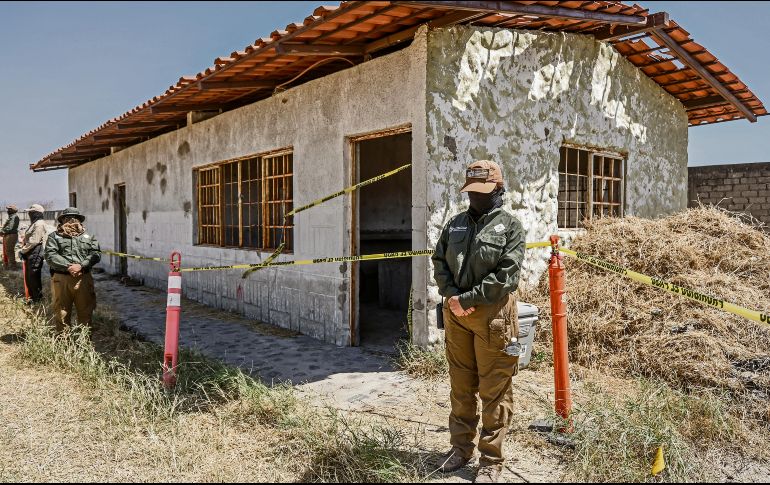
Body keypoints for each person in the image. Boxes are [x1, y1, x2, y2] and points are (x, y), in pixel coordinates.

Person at [431, 160, 526, 483]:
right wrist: (452, 296)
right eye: (472, 192)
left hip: (492, 318)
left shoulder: (510, 227)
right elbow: (439, 260)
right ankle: (460, 449)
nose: (476, 197)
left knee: (494, 391)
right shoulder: (455, 224)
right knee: (461, 386)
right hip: (457, 316)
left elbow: (507, 276)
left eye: (483, 192)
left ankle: (490, 459)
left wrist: (467, 300)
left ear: (499, 190)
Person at [44, 207, 101, 333]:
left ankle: (84, 344)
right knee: (61, 313)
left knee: (86, 312)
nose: (70, 220)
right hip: (61, 279)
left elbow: (95, 254)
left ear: (80, 220)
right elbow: (50, 255)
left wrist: (81, 265)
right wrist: (69, 266)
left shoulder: (89, 237)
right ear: (62, 220)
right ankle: (64, 345)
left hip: (83, 279)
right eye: (67, 218)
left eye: (74, 218)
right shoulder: (54, 237)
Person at [19, 204, 48, 303]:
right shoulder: (34, 223)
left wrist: (23, 250)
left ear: (36, 213)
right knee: (29, 276)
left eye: (31, 212)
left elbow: (34, 241)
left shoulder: (39, 224)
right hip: (31, 250)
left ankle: (37, 299)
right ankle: (31, 297)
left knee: (34, 276)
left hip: (36, 251)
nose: (29, 214)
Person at [1, 205, 20, 270]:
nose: (8, 211)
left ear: (13, 210)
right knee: (8, 251)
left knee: (9, 251)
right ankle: (10, 265)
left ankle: (13, 267)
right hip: (9, 235)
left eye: (9, 209)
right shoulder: (12, 216)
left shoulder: (14, 217)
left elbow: (10, 227)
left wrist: (2, 231)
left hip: (11, 235)